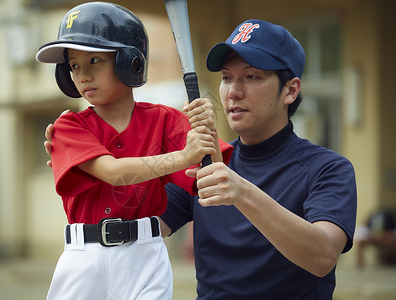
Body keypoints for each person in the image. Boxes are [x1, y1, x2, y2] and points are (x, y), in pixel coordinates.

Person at [45, 19, 357, 299]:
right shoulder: (201, 167)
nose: (233, 92)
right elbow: (138, 225)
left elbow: (322, 257)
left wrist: (241, 192)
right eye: (226, 78)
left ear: (290, 90)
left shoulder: (327, 168)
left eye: (251, 77)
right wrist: (85, 159)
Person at [35, 2, 232, 300]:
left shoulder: (165, 120)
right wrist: (183, 156)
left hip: (146, 256)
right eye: (74, 65)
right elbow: (113, 173)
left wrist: (208, 134)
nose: (83, 75)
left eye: (94, 61)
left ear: (131, 62)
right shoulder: (68, 126)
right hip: (85, 259)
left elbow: (211, 182)